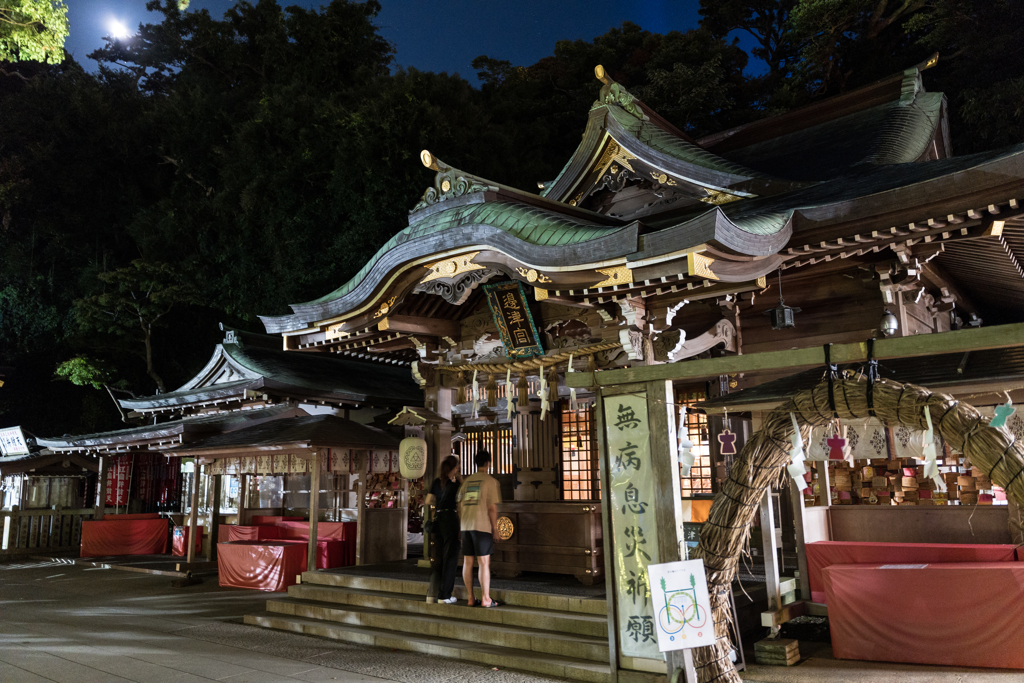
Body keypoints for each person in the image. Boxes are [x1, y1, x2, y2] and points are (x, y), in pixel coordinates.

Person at [457, 449, 502, 608]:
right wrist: (495, 529)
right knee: (483, 562)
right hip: (482, 526)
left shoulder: (466, 483)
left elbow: (460, 506)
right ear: (488, 463)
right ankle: (485, 599)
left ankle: (470, 598)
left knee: (467, 562)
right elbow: (492, 508)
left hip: (466, 526)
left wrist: (462, 525)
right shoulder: (490, 481)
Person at [424, 455, 461, 604]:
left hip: (438, 520)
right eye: (457, 467)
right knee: (451, 557)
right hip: (450, 519)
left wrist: (437, 506)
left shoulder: (437, 482)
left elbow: (428, 501)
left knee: (438, 558)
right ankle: (445, 595)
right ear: (453, 469)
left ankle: (434, 593)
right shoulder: (456, 484)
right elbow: (462, 499)